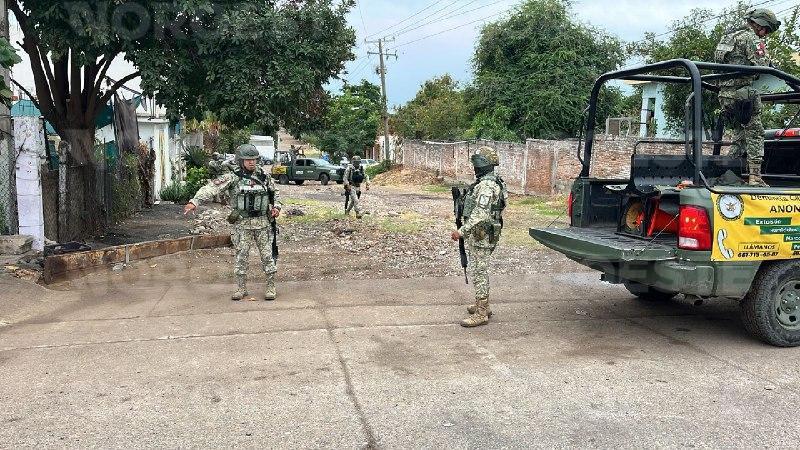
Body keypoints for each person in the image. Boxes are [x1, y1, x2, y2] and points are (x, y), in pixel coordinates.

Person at [184, 144, 282, 301]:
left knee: (267, 257)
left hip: (263, 224)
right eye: (248, 159)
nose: (252, 162)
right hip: (242, 225)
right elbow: (211, 188)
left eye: (254, 159)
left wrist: (276, 207)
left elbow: (275, 192)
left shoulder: (264, 176)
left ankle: (271, 286)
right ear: (240, 161)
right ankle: (241, 288)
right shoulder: (233, 177)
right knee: (241, 257)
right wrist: (195, 201)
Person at [714, 8, 781, 186]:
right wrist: (771, 64)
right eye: (765, 30)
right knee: (755, 133)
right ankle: (755, 177)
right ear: (759, 24)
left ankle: (727, 171)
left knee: (740, 135)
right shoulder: (751, 38)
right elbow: (760, 64)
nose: (765, 34)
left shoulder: (729, 35)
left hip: (724, 95)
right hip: (742, 94)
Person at [451, 146, 508, 328]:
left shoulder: (487, 185)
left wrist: (462, 231)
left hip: (482, 234)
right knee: (479, 270)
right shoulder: (488, 182)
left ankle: (482, 312)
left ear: (484, 165)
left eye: (477, 164)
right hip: (481, 233)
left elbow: (481, 213)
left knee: (479, 272)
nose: (474, 168)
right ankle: (483, 305)